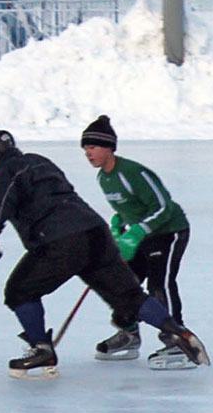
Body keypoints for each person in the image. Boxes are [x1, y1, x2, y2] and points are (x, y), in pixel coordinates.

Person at [0, 128, 210, 379]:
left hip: (60, 241)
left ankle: (41, 349)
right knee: (128, 296)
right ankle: (175, 331)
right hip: (95, 233)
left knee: (19, 291)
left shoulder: (7, 168)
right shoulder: (40, 162)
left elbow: (0, 201)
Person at [81, 115, 196, 370]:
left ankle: (177, 339)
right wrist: (118, 226)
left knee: (159, 283)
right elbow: (126, 208)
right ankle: (129, 333)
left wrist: (138, 231)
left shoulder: (133, 172)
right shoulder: (103, 178)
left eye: (93, 147)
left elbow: (163, 206)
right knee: (121, 282)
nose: (88, 153)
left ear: (109, 147)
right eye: (85, 148)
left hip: (169, 230)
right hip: (141, 235)